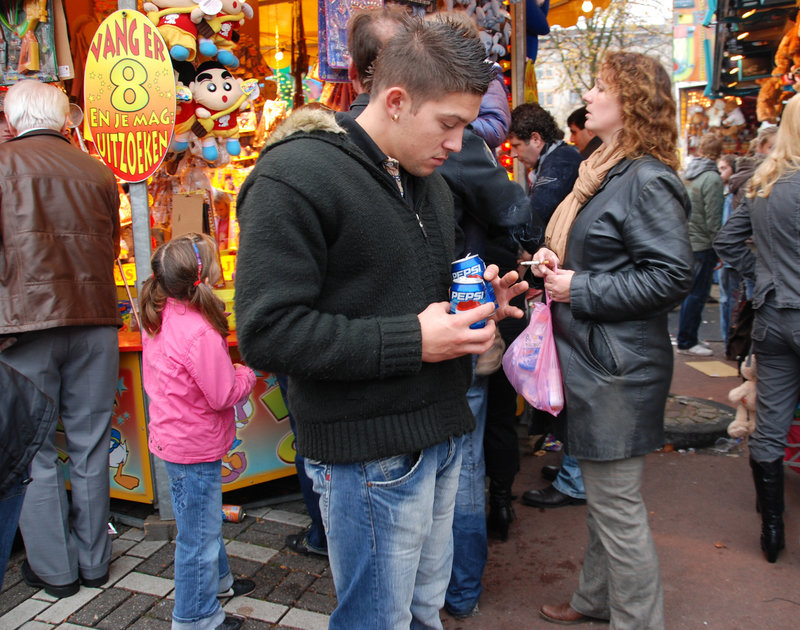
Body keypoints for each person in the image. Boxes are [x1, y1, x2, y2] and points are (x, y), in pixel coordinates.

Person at [234, 21, 527, 629]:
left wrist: (475, 304)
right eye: (448, 123)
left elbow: (414, 292)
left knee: (423, 611)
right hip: (367, 455)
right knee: (377, 620)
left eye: (465, 125)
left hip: (443, 435)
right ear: (395, 101)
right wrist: (415, 339)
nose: (458, 141)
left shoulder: (430, 182)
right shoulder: (296, 176)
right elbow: (268, 331)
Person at [531, 52, 693, 627]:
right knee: (606, 505)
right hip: (597, 365)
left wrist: (581, 287)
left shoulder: (646, 178)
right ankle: (594, 600)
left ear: (632, 105)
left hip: (616, 371)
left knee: (617, 510)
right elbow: (608, 253)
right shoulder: (603, 169)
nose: (589, 96)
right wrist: (558, 260)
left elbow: (673, 276)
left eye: (601, 88)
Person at [0, 79, 121, 599]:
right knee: (91, 443)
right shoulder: (97, 171)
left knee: (35, 452)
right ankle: (95, 563)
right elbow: (113, 243)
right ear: (63, 119)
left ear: (12, 120)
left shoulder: (3, 166)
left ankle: (55, 572)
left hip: (25, 324)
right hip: (95, 318)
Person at [140, 233, 256, 630]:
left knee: (202, 522)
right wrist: (246, 372)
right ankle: (194, 617)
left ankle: (218, 583)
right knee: (197, 537)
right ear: (202, 277)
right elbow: (223, 393)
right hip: (193, 445)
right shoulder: (199, 332)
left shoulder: (158, 314)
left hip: (174, 439)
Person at [482, 103, 582, 532]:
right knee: (507, 407)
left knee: (499, 407)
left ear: (537, 140)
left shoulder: (559, 164)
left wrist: (532, 249)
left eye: (519, 146)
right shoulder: (560, 162)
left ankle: (570, 477)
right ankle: (557, 474)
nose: (517, 154)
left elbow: (530, 214)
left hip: (549, 286)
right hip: (539, 285)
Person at [714, 93, 800, 564]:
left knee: (770, 424)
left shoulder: (765, 182)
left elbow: (727, 239)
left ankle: (772, 532)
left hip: (774, 318)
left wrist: (760, 276)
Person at [676, 132, 724, 356]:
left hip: (687, 239)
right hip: (703, 243)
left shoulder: (689, 174)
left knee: (691, 292)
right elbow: (714, 218)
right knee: (697, 293)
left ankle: (689, 337)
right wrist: (721, 247)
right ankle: (688, 339)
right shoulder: (712, 178)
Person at [507, 102, 582, 226]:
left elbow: (535, 218)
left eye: (516, 146)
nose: (513, 154)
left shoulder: (560, 163)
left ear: (536, 139)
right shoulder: (557, 158)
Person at [716, 153, 738, 345]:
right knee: (729, 299)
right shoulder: (730, 193)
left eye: (724, 168)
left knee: (728, 299)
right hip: (731, 256)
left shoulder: (732, 193)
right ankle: (730, 342)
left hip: (731, 256)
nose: (720, 173)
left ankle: (729, 341)